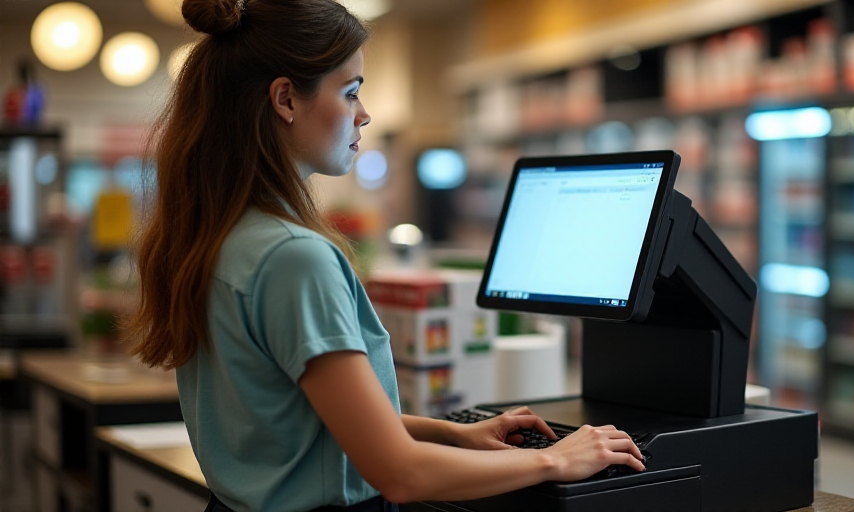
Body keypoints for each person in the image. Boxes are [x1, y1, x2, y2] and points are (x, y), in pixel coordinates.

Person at [125, 0, 645, 511]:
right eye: (350, 93)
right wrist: (556, 459)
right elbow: (399, 472)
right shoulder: (293, 258)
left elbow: (304, 421)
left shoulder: (220, 238)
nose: (364, 115)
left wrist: (453, 434)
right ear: (284, 99)